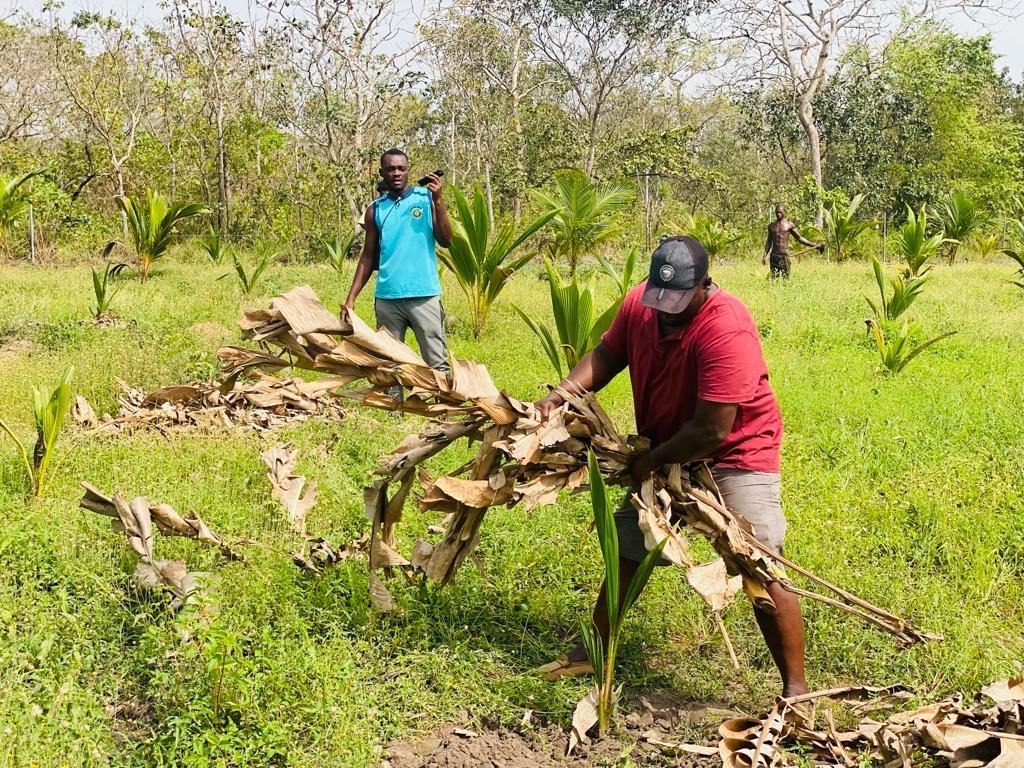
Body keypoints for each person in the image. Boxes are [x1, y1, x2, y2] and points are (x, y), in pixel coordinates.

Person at [534, 235, 809, 700]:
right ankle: (592, 650)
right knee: (629, 544)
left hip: (733, 453)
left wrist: (649, 461)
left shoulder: (727, 328)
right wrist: (558, 397)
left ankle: (796, 691)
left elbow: (711, 429)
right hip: (665, 444)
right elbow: (608, 355)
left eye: (677, 301)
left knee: (758, 560)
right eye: (658, 299)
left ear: (703, 284)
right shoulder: (640, 305)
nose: (665, 310)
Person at [344, 149, 453, 380]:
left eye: (401, 168)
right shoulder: (375, 209)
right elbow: (367, 257)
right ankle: (394, 404)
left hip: (424, 296)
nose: (396, 173)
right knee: (389, 365)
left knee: (437, 365)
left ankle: (442, 402)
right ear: (381, 172)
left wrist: (438, 201)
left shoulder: (426, 199)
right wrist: (350, 299)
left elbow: (446, 240)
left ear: (408, 170)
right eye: (391, 169)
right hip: (387, 300)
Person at [762, 203, 823, 279]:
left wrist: (814, 245)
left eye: (780, 212)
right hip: (774, 256)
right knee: (774, 279)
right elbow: (769, 242)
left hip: (784, 256)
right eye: (777, 212)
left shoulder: (789, 224)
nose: (778, 214)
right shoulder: (771, 226)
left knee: (785, 278)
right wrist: (764, 255)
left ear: (784, 212)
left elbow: (799, 238)